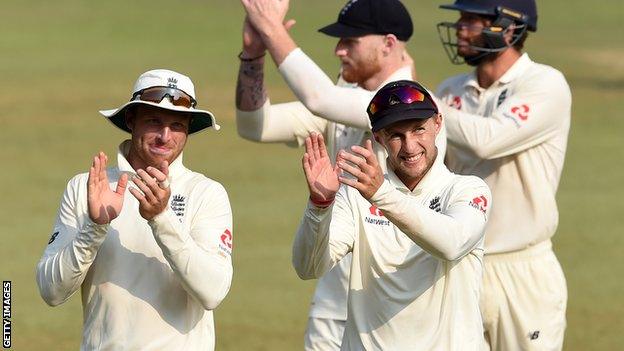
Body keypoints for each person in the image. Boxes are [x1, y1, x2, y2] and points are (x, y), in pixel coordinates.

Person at [236, 0, 444, 348]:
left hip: (393, 308)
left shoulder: (413, 105)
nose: (338, 50)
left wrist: (270, 29)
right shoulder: (343, 103)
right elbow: (256, 126)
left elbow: (320, 98)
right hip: (333, 302)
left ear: (388, 44)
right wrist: (253, 57)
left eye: (351, 41)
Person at [36, 69, 233, 350]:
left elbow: (212, 292)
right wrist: (94, 228)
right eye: (154, 121)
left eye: (177, 125)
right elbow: (51, 291)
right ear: (131, 120)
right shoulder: (87, 187)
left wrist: (161, 219)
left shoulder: (206, 193)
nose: (165, 136)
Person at [293, 80, 491, 350]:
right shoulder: (356, 194)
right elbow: (308, 267)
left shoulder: (467, 190)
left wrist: (381, 195)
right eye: (396, 135)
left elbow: (451, 244)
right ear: (379, 138)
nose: (410, 147)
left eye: (419, 129)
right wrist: (320, 205)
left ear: (438, 124)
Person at [436, 1, 571, 350]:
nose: (460, 28)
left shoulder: (545, 83)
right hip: (460, 265)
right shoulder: (450, 91)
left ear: (510, 28)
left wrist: (426, 108)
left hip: (523, 270)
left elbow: (488, 141)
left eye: (472, 20)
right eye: (460, 18)